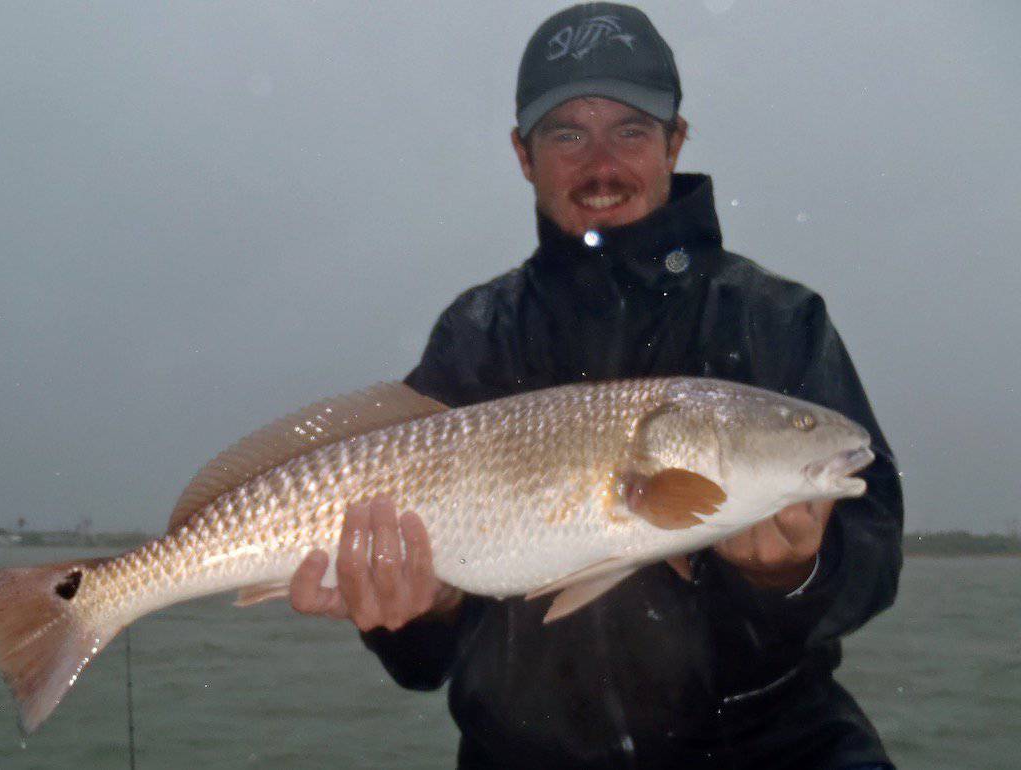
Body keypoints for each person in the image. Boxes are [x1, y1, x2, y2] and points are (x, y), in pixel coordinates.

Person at [290, 4, 903, 769]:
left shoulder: (776, 321)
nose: (602, 164)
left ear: (676, 143)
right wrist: (417, 608)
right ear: (523, 154)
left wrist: (793, 574)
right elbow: (428, 661)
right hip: (526, 752)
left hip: (772, 744)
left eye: (633, 131)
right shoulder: (476, 335)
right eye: (567, 134)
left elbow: (872, 552)